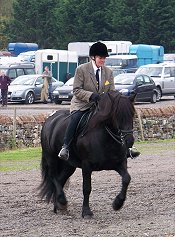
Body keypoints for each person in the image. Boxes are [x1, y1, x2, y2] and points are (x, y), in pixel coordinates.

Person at [58, 42, 140, 161]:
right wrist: (91, 96)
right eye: (100, 58)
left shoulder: (109, 72)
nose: (103, 60)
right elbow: (76, 90)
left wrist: (120, 99)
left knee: (116, 120)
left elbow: (112, 91)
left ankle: (126, 149)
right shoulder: (81, 69)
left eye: (104, 58)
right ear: (93, 57)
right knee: (75, 120)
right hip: (82, 105)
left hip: (101, 106)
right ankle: (66, 147)